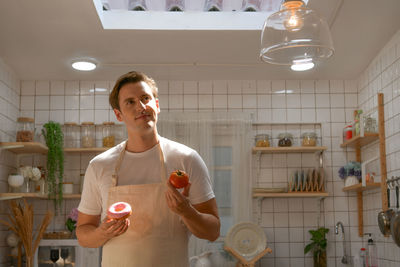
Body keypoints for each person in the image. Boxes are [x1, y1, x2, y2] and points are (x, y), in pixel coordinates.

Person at [76, 71, 220, 267]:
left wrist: (187, 212)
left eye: (145, 98)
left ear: (157, 105)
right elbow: (83, 234)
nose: (141, 107)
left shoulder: (187, 159)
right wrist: (102, 233)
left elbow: (213, 232)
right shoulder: (99, 165)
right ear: (118, 114)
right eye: (130, 102)